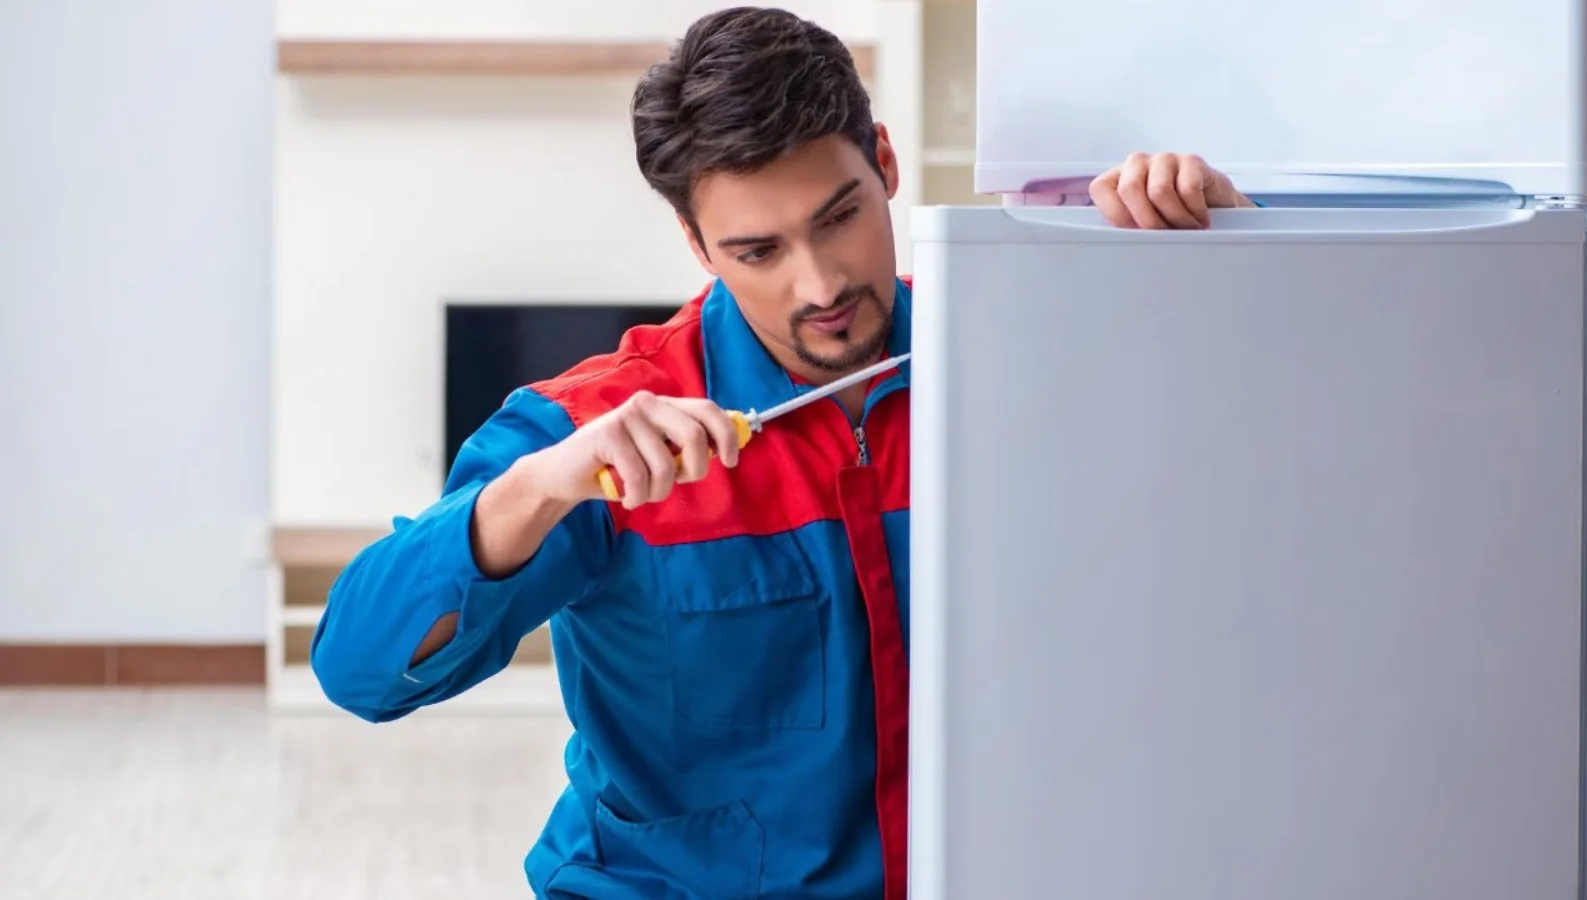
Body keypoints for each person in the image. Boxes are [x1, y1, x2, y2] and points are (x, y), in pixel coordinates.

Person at [309, 6, 1256, 898]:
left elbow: (1277, 499)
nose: (821, 284)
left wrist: (1237, 259)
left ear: (885, 163)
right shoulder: (591, 429)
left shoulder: (1033, 359)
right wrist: (537, 490)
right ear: (697, 243)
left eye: (839, 216)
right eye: (759, 251)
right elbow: (360, 671)